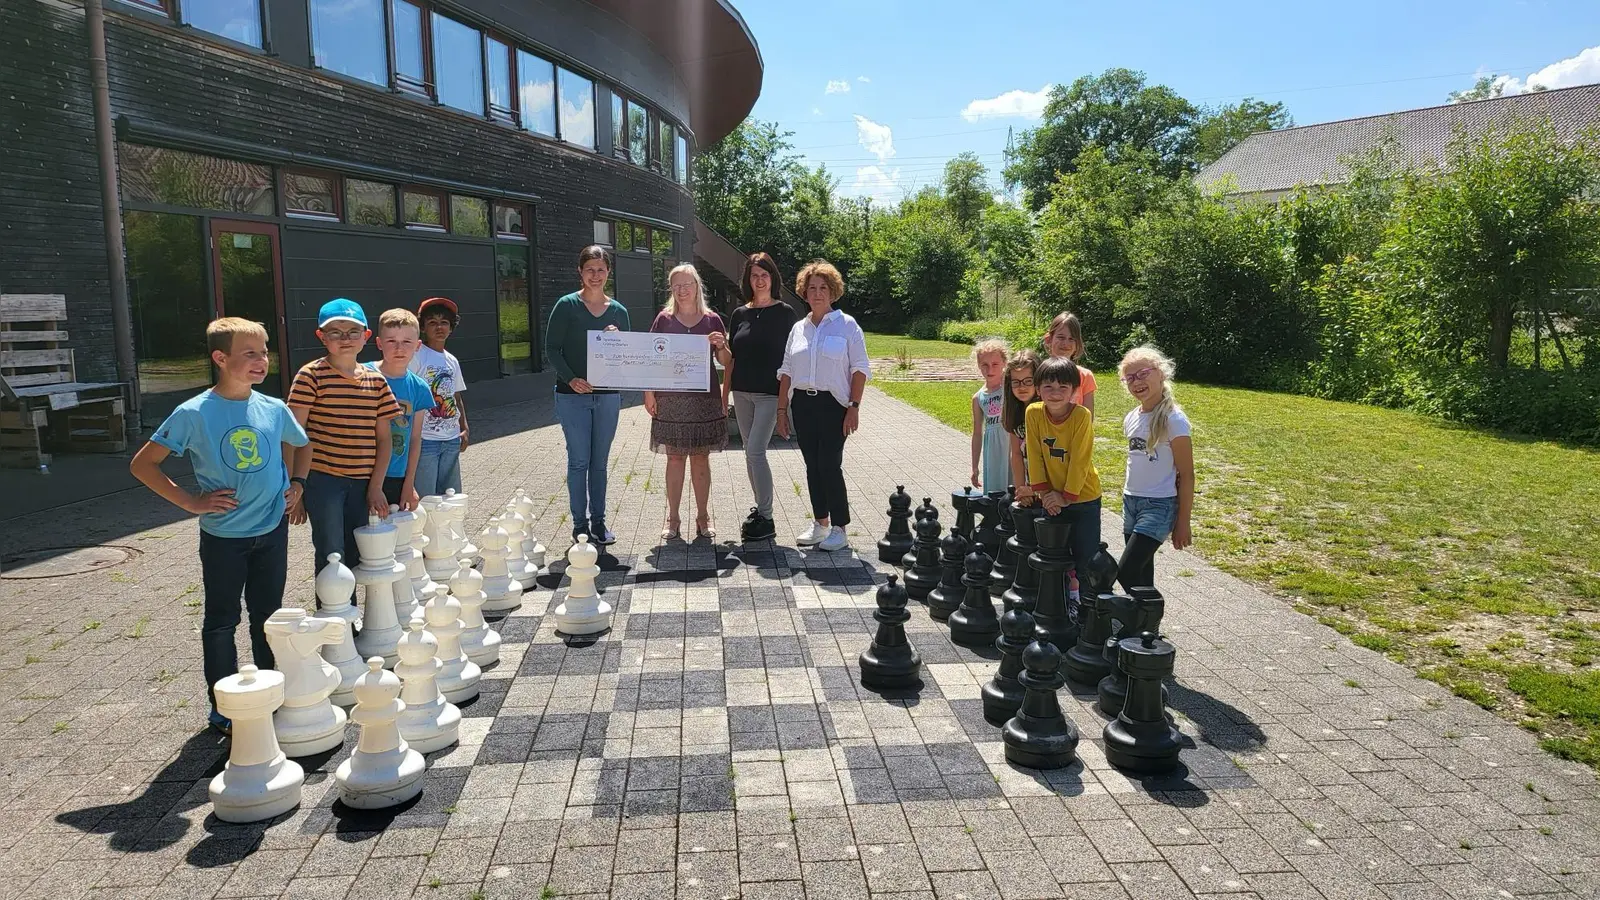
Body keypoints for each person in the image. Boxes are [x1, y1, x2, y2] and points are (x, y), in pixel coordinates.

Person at [129, 317, 309, 736]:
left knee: (269, 616)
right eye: (250, 353)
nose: (261, 360)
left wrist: (297, 483)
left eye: (265, 352)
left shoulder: (274, 407)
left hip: (271, 532)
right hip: (225, 538)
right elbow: (143, 465)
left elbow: (301, 443)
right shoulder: (193, 413)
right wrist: (191, 502)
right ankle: (225, 706)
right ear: (220, 358)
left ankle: (272, 693)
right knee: (222, 620)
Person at [287, 299, 402, 575]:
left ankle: (351, 615)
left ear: (365, 337)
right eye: (335, 332)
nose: (345, 339)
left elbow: (384, 439)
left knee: (357, 549)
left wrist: (376, 486)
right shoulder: (310, 376)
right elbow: (292, 435)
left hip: (362, 481)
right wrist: (296, 486)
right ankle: (332, 615)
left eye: (352, 332)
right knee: (330, 552)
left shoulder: (376, 381)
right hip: (322, 479)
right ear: (321, 337)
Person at [776, 259, 870, 552]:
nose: (817, 293)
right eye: (812, 288)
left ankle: (840, 527)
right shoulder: (798, 329)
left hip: (834, 405)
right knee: (812, 466)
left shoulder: (847, 325)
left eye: (823, 288)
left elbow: (860, 368)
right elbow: (787, 370)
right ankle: (820, 523)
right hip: (803, 404)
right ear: (804, 292)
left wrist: (854, 406)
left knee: (830, 464)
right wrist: (782, 410)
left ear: (833, 292)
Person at [545, 246, 630, 544]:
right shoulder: (566, 305)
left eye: (601, 269)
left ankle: (599, 523)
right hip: (572, 395)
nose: (595, 275)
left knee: (600, 463)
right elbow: (551, 349)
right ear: (580, 272)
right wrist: (572, 378)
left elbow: (625, 357)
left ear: (609, 273)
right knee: (579, 461)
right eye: (590, 269)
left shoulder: (619, 311)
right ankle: (579, 525)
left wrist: (619, 342)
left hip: (607, 397)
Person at [645, 264, 730, 540]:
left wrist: (721, 346)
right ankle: (673, 518)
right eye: (677, 285)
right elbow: (651, 358)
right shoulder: (664, 320)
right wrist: (649, 392)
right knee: (674, 458)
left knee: (701, 459)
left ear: (697, 286)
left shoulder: (712, 319)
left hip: (704, 401)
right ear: (672, 289)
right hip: (670, 401)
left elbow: (727, 362)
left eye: (687, 284)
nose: (682, 290)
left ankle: (703, 517)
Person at [724, 252, 797, 542]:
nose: (759, 280)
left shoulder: (786, 313)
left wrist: (784, 403)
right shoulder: (739, 314)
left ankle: (766, 516)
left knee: (756, 451)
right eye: (754, 275)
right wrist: (723, 393)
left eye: (764, 274)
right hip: (741, 392)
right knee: (749, 453)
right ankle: (760, 510)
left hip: (769, 393)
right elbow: (731, 358)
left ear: (773, 278)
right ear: (748, 280)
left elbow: (791, 359)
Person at [1025, 356, 1102, 621]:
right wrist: (1045, 493)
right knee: (1054, 557)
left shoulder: (1081, 416)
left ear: (1074, 391)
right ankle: (1060, 605)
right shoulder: (1033, 413)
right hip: (1051, 499)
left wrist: (1066, 496)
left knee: (1086, 559)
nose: (1055, 393)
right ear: (1037, 389)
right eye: (1048, 387)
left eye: (1062, 387)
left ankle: (1092, 613)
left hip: (1083, 498)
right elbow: (1034, 454)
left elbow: (1080, 460)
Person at [1117, 345, 1194, 591]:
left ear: (1161, 373)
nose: (1137, 382)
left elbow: (1187, 474)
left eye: (1143, 374)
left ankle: (1147, 618)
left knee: (1127, 571)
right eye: (1130, 377)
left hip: (1159, 505)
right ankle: (1143, 627)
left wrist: (1183, 521)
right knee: (1140, 575)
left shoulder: (1174, 420)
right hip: (1131, 501)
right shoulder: (1131, 417)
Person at [369, 309, 434, 510]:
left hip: (396, 474)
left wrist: (409, 483)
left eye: (407, 342)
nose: (399, 348)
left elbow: (415, 438)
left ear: (418, 346)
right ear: (379, 343)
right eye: (391, 341)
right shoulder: (362, 375)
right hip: (362, 473)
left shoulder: (419, 388)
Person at [410, 297, 469, 497]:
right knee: (427, 498)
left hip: (451, 439)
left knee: (452, 497)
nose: (439, 327)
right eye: (432, 322)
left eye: (444, 322)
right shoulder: (416, 356)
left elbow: (456, 396)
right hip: (425, 440)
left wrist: (464, 427)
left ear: (451, 328)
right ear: (423, 327)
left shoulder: (452, 360)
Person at [970, 339, 1011, 494]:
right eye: (984, 365)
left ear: (1004, 363)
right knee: (995, 493)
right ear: (979, 366)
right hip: (992, 450)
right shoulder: (978, 398)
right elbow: (977, 433)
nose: (990, 369)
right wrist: (975, 467)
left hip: (1011, 445)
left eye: (995, 364)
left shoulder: (1011, 387)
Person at [1002, 349, 1040, 505]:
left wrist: (1035, 490)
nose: (1021, 387)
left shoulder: (1044, 411)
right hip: (1029, 486)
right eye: (1016, 382)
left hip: (1051, 489)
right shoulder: (1015, 413)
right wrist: (1020, 490)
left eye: (1028, 381)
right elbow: (1016, 454)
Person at [1043, 312, 1097, 416]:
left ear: (1077, 344)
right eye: (1061, 337)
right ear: (1049, 339)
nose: (1066, 343)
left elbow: (1088, 418)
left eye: (1071, 339)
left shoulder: (1085, 376)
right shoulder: (1039, 372)